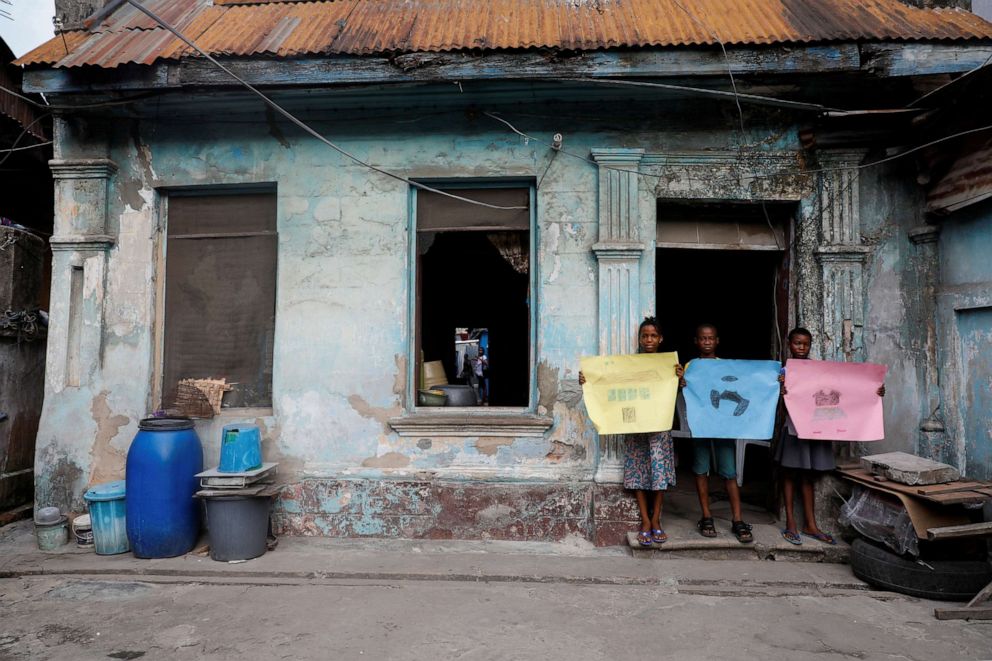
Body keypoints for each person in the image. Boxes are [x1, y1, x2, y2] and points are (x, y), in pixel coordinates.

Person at [776, 327, 885, 545]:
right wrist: (781, 390)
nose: (801, 348)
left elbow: (849, 388)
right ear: (789, 344)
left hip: (814, 429)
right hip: (793, 428)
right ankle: (790, 522)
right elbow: (772, 401)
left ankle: (811, 524)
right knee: (788, 475)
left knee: (807, 476)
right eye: (797, 343)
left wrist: (874, 390)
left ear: (810, 345)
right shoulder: (784, 371)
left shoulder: (819, 370)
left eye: (805, 344)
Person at [580, 317, 682, 547]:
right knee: (638, 473)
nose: (649, 339)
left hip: (659, 427)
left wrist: (679, 378)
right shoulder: (629, 364)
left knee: (659, 473)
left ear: (660, 339)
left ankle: (656, 520)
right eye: (645, 336)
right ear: (639, 339)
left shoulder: (669, 366)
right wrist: (588, 380)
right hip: (635, 426)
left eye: (653, 336)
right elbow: (607, 381)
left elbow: (678, 391)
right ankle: (645, 521)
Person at [680, 324, 753, 543]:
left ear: (717, 341)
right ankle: (706, 516)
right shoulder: (691, 366)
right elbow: (687, 388)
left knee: (729, 472)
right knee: (701, 469)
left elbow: (744, 384)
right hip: (701, 424)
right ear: (696, 341)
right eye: (703, 339)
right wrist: (682, 381)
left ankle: (737, 519)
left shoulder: (726, 366)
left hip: (723, 425)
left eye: (710, 338)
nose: (707, 342)